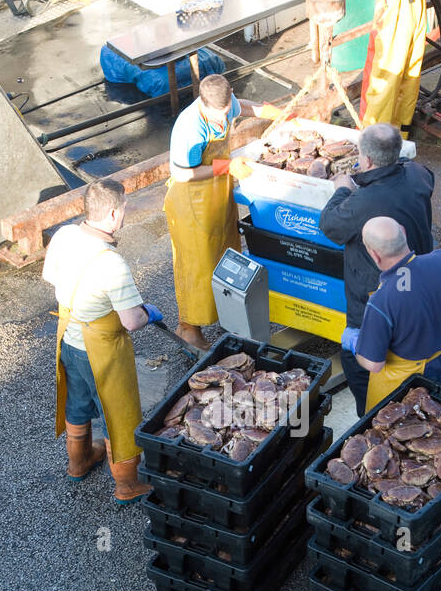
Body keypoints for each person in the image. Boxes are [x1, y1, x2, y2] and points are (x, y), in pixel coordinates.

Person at [43, 179, 164, 505]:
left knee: (78, 402)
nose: (125, 214)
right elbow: (131, 321)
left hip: (69, 339)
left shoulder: (64, 236)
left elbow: (52, 279)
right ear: (113, 213)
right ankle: (126, 484)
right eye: (124, 208)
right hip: (102, 351)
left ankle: (78, 462)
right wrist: (148, 313)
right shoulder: (111, 264)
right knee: (119, 413)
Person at [318, 122, 435, 415]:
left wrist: (342, 190)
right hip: (419, 281)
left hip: (375, 293)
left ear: (365, 159)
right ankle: (419, 399)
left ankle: (371, 417)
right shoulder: (420, 175)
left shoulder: (362, 202)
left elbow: (330, 225)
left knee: (359, 361)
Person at [165, 73, 281, 351]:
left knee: (226, 255)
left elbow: (247, 106)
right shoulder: (190, 127)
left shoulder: (228, 104)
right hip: (190, 202)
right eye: (217, 116)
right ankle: (188, 328)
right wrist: (226, 167)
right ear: (203, 103)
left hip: (217, 194)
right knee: (197, 266)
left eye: (226, 114)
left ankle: (226, 313)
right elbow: (181, 174)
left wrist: (281, 114)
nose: (222, 121)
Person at [345, 217, 441, 411]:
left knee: (397, 433)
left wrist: (355, 343)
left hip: (403, 387)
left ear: (374, 255)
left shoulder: (380, 302)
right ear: (404, 233)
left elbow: (374, 364)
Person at [360, 0, 427, 136]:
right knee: (410, 75)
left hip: (396, 11)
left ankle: (374, 141)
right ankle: (399, 138)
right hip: (416, 0)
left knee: (385, 77)